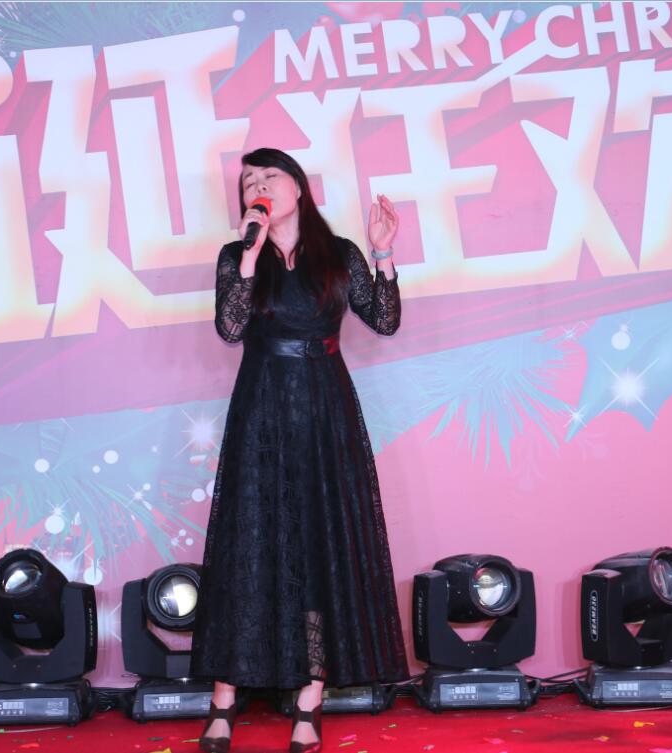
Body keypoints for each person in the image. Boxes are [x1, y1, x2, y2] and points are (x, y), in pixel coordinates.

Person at [191, 148, 408, 753]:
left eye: (269, 177)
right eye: (248, 182)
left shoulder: (338, 253)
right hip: (261, 408)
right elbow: (230, 329)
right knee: (250, 542)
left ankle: (310, 700)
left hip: (324, 410)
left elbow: (384, 320)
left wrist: (383, 252)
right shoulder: (236, 255)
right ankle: (224, 700)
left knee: (318, 545)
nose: (257, 187)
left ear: (299, 188)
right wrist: (250, 255)